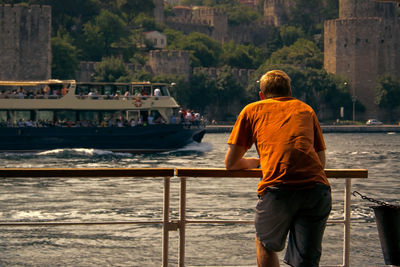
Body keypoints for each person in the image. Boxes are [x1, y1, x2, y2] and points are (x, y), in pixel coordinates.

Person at [224, 70, 331, 267]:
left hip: (279, 189)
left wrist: (257, 162)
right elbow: (321, 161)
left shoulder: (252, 110)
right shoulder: (306, 109)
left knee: (265, 244)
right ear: (289, 92)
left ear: (262, 95)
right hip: (317, 190)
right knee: (306, 259)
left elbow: (231, 163)